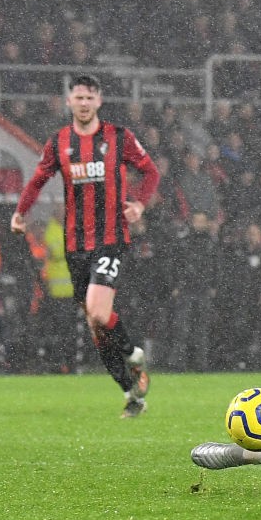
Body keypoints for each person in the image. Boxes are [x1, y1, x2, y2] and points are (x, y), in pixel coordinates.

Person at [10, 75, 160, 417]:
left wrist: (139, 204)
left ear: (99, 101)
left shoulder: (118, 138)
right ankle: (131, 392)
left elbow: (150, 172)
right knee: (96, 325)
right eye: (78, 97)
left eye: (89, 97)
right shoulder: (59, 142)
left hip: (111, 238)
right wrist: (20, 212)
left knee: (97, 312)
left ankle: (134, 353)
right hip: (75, 244)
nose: (83, 103)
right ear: (69, 102)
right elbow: (37, 180)